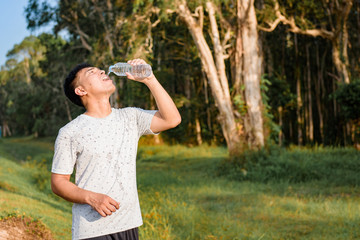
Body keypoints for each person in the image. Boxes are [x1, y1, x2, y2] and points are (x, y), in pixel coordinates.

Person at [51, 59, 181, 240]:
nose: (102, 72)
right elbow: (58, 182)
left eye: (101, 70)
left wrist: (149, 79)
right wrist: (91, 198)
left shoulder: (130, 117)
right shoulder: (70, 132)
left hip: (129, 223)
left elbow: (172, 119)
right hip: (92, 230)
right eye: (92, 72)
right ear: (81, 91)